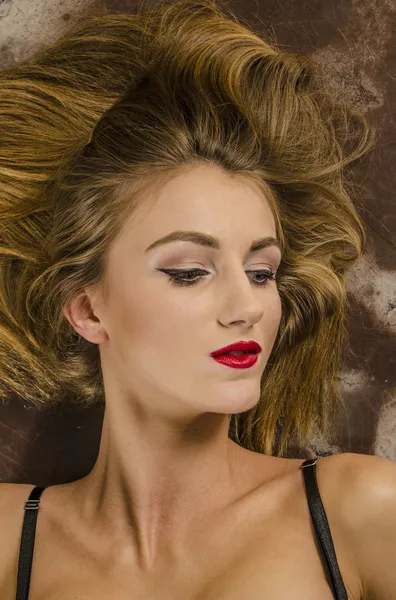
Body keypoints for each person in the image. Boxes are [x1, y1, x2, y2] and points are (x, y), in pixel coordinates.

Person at [0, 1, 395, 598]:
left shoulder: (357, 512)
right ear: (87, 309)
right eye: (189, 272)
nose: (248, 306)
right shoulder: (9, 540)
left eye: (262, 272)